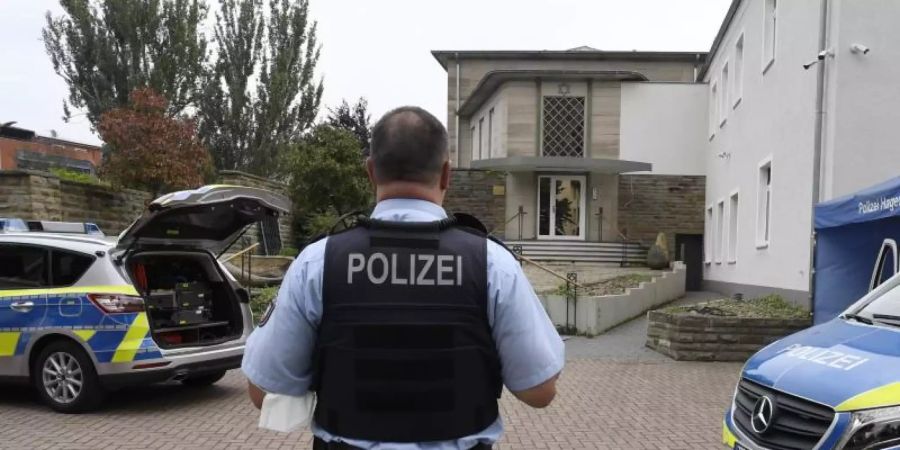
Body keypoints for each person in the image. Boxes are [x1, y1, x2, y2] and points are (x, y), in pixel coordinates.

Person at [242, 106, 565, 450]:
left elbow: (264, 390)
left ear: (370, 172)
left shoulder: (318, 262)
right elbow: (539, 391)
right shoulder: (491, 264)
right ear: (446, 175)